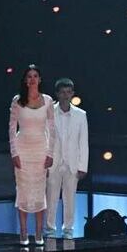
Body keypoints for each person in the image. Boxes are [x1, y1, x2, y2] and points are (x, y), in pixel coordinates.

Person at [8, 65, 57, 247]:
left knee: (39, 190)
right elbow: (12, 128)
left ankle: (38, 232)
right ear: (25, 80)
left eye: (35, 76)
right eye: (29, 76)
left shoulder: (48, 100)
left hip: (40, 149)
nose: (32, 79)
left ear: (40, 79)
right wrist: (14, 152)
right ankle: (23, 232)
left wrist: (50, 153)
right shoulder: (17, 100)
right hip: (22, 149)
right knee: (23, 189)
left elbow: (52, 129)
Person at [47, 77, 88, 240]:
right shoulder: (49, 112)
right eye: (63, 92)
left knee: (70, 198)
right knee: (51, 197)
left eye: (68, 92)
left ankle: (68, 229)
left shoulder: (80, 115)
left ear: (72, 94)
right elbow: (45, 139)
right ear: (57, 94)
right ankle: (50, 228)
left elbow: (83, 142)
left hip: (72, 163)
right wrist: (45, 162)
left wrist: (83, 166)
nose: (65, 95)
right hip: (53, 162)